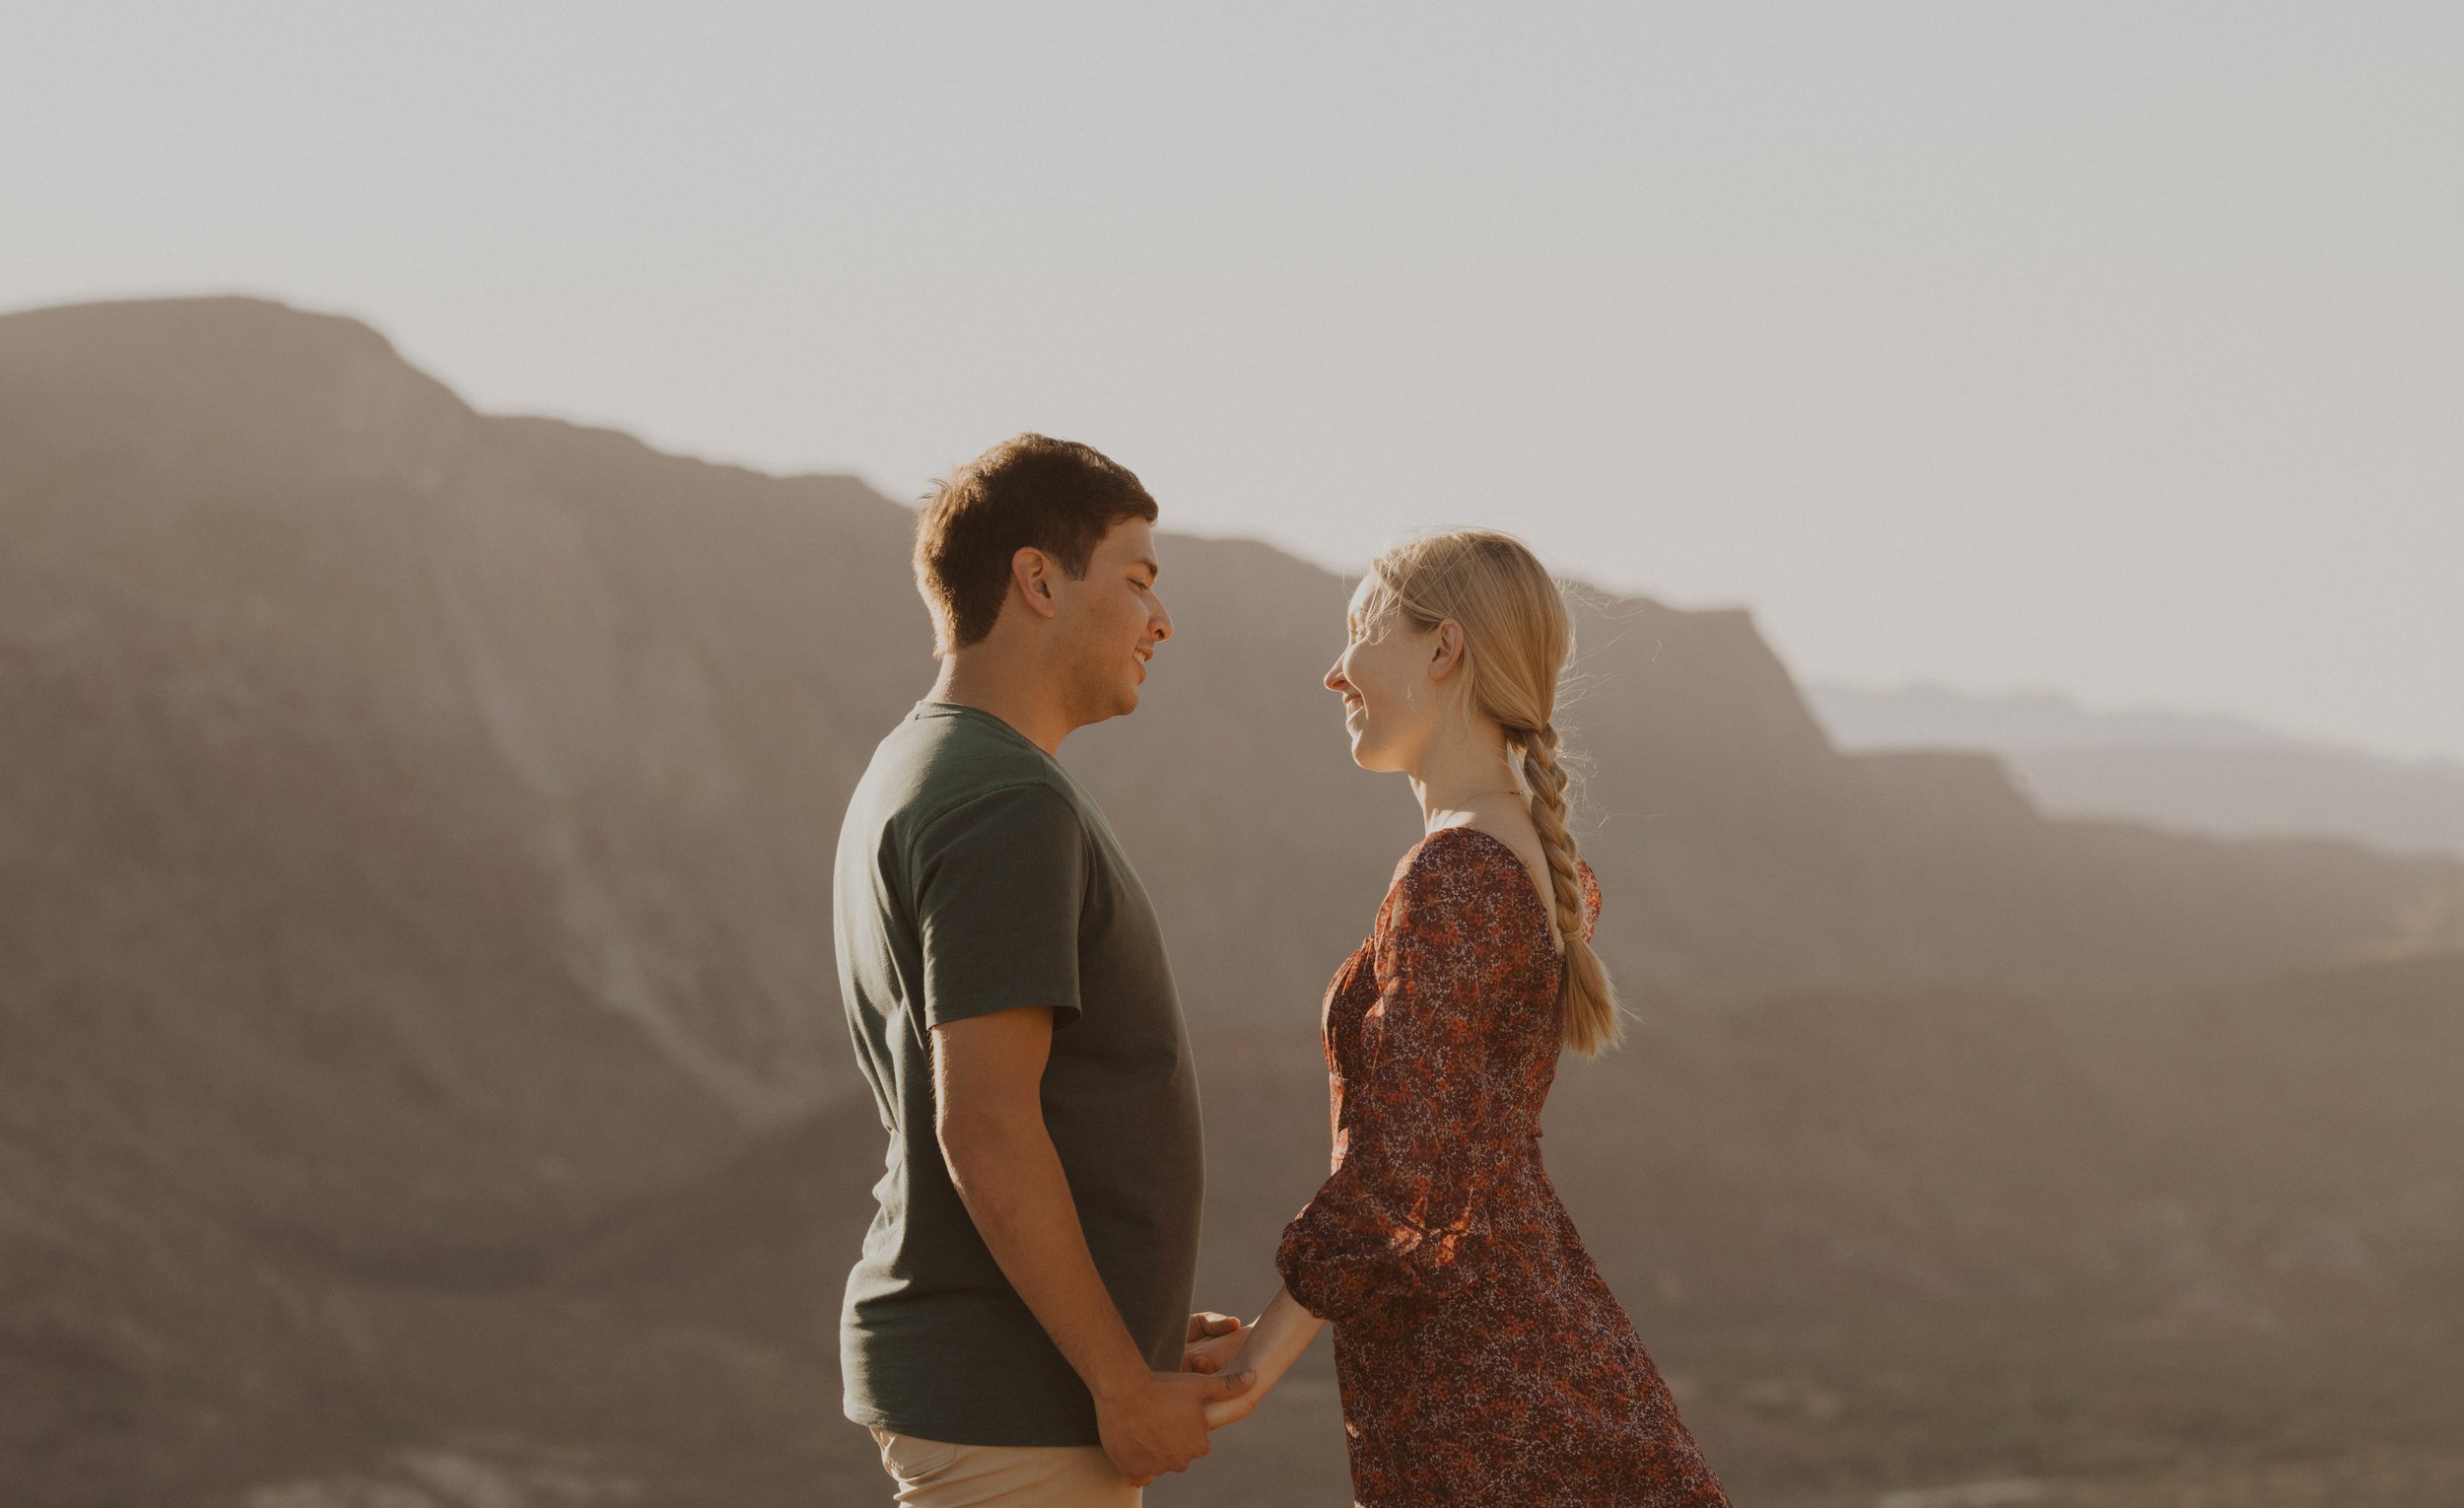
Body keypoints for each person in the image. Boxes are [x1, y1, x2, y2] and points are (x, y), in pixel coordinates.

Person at [1199, 529, 1733, 1506]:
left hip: (1483, 1396)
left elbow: (1402, 1166)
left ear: (1444, 650)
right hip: (1525, 1357)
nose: (1332, 673)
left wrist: (1253, 1369)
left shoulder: (1452, 879)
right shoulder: (1528, 860)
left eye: (1360, 631)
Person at [833, 434, 1254, 1506]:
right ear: (1036, 579)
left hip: (1005, 1385)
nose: (1161, 620)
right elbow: (983, 1120)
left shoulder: (924, 765)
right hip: (1019, 1405)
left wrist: (1139, 1319)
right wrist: (1118, 1378)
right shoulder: (1003, 800)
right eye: (1137, 580)